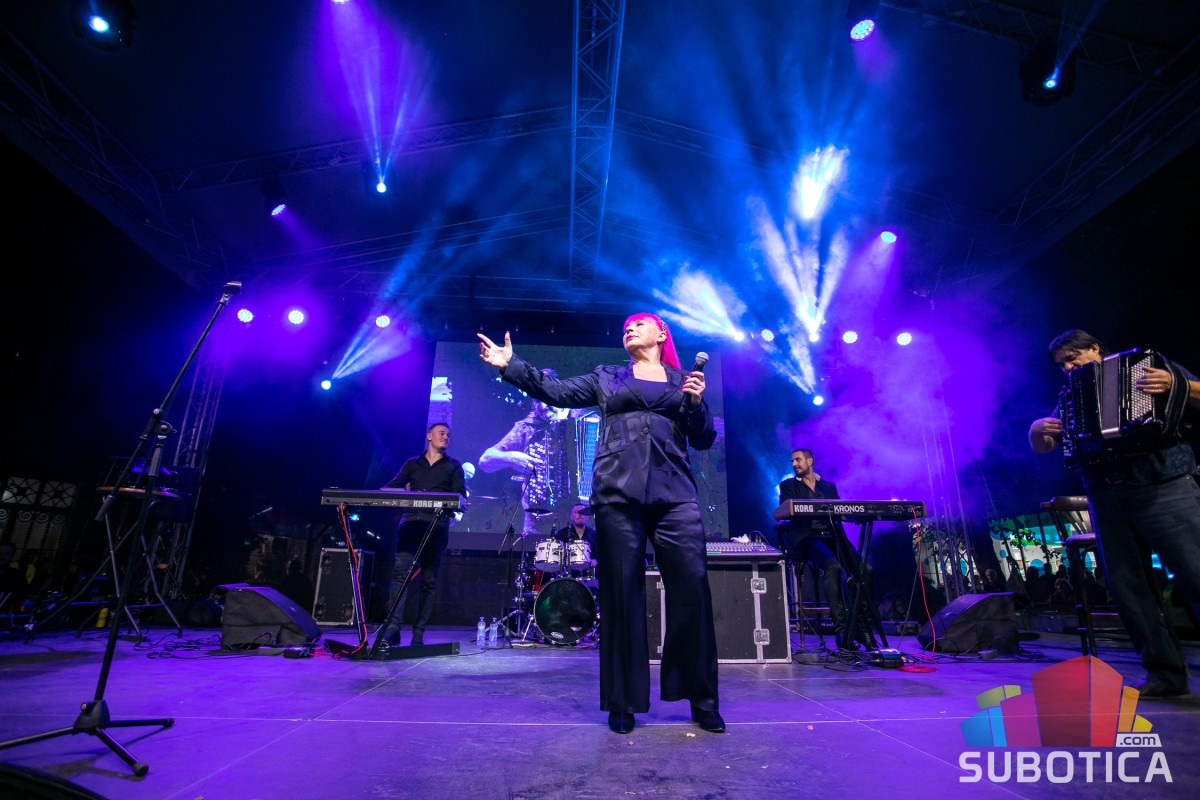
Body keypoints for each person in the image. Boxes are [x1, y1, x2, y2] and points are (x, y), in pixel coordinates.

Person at [477, 312, 723, 734]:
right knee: (621, 595)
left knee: (692, 591)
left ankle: (701, 697)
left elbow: (702, 439)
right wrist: (511, 366)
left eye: (639, 324)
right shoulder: (607, 376)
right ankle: (622, 702)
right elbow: (556, 391)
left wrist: (697, 406)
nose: (629, 328)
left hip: (675, 495)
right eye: (626, 326)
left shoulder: (684, 381)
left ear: (661, 333)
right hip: (618, 494)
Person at [1029, 328, 1200, 697]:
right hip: (1107, 494)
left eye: (1072, 358)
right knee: (1129, 589)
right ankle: (1164, 674)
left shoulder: (1147, 364)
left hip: (1163, 483)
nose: (1068, 368)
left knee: (1195, 572)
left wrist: (1175, 384)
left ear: (1094, 348)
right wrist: (1036, 430)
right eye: (1061, 365)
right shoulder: (1071, 393)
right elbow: (1045, 446)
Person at [378, 422, 466, 648]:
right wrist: (380, 494)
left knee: (428, 580)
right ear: (429, 436)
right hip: (410, 525)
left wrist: (449, 505)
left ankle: (418, 634)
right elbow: (393, 487)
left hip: (435, 527)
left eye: (448, 435)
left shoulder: (454, 466)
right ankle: (393, 629)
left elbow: (460, 496)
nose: (445, 437)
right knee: (400, 574)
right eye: (441, 433)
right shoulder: (412, 464)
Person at [478, 379, 572, 538]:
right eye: (538, 401)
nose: (543, 406)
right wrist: (511, 457)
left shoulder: (583, 419)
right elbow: (485, 461)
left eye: (547, 399)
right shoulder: (526, 427)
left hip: (580, 518)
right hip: (538, 520)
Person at [556, 502, 598, 576]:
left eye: (582, 512)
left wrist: (596, 560)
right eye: (576, 512)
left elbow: (602, 555)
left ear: (587, 517)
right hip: (568, 576)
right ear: (571, 516)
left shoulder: (594, 535)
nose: (580, 515)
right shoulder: (561, 534)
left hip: (590, 575)